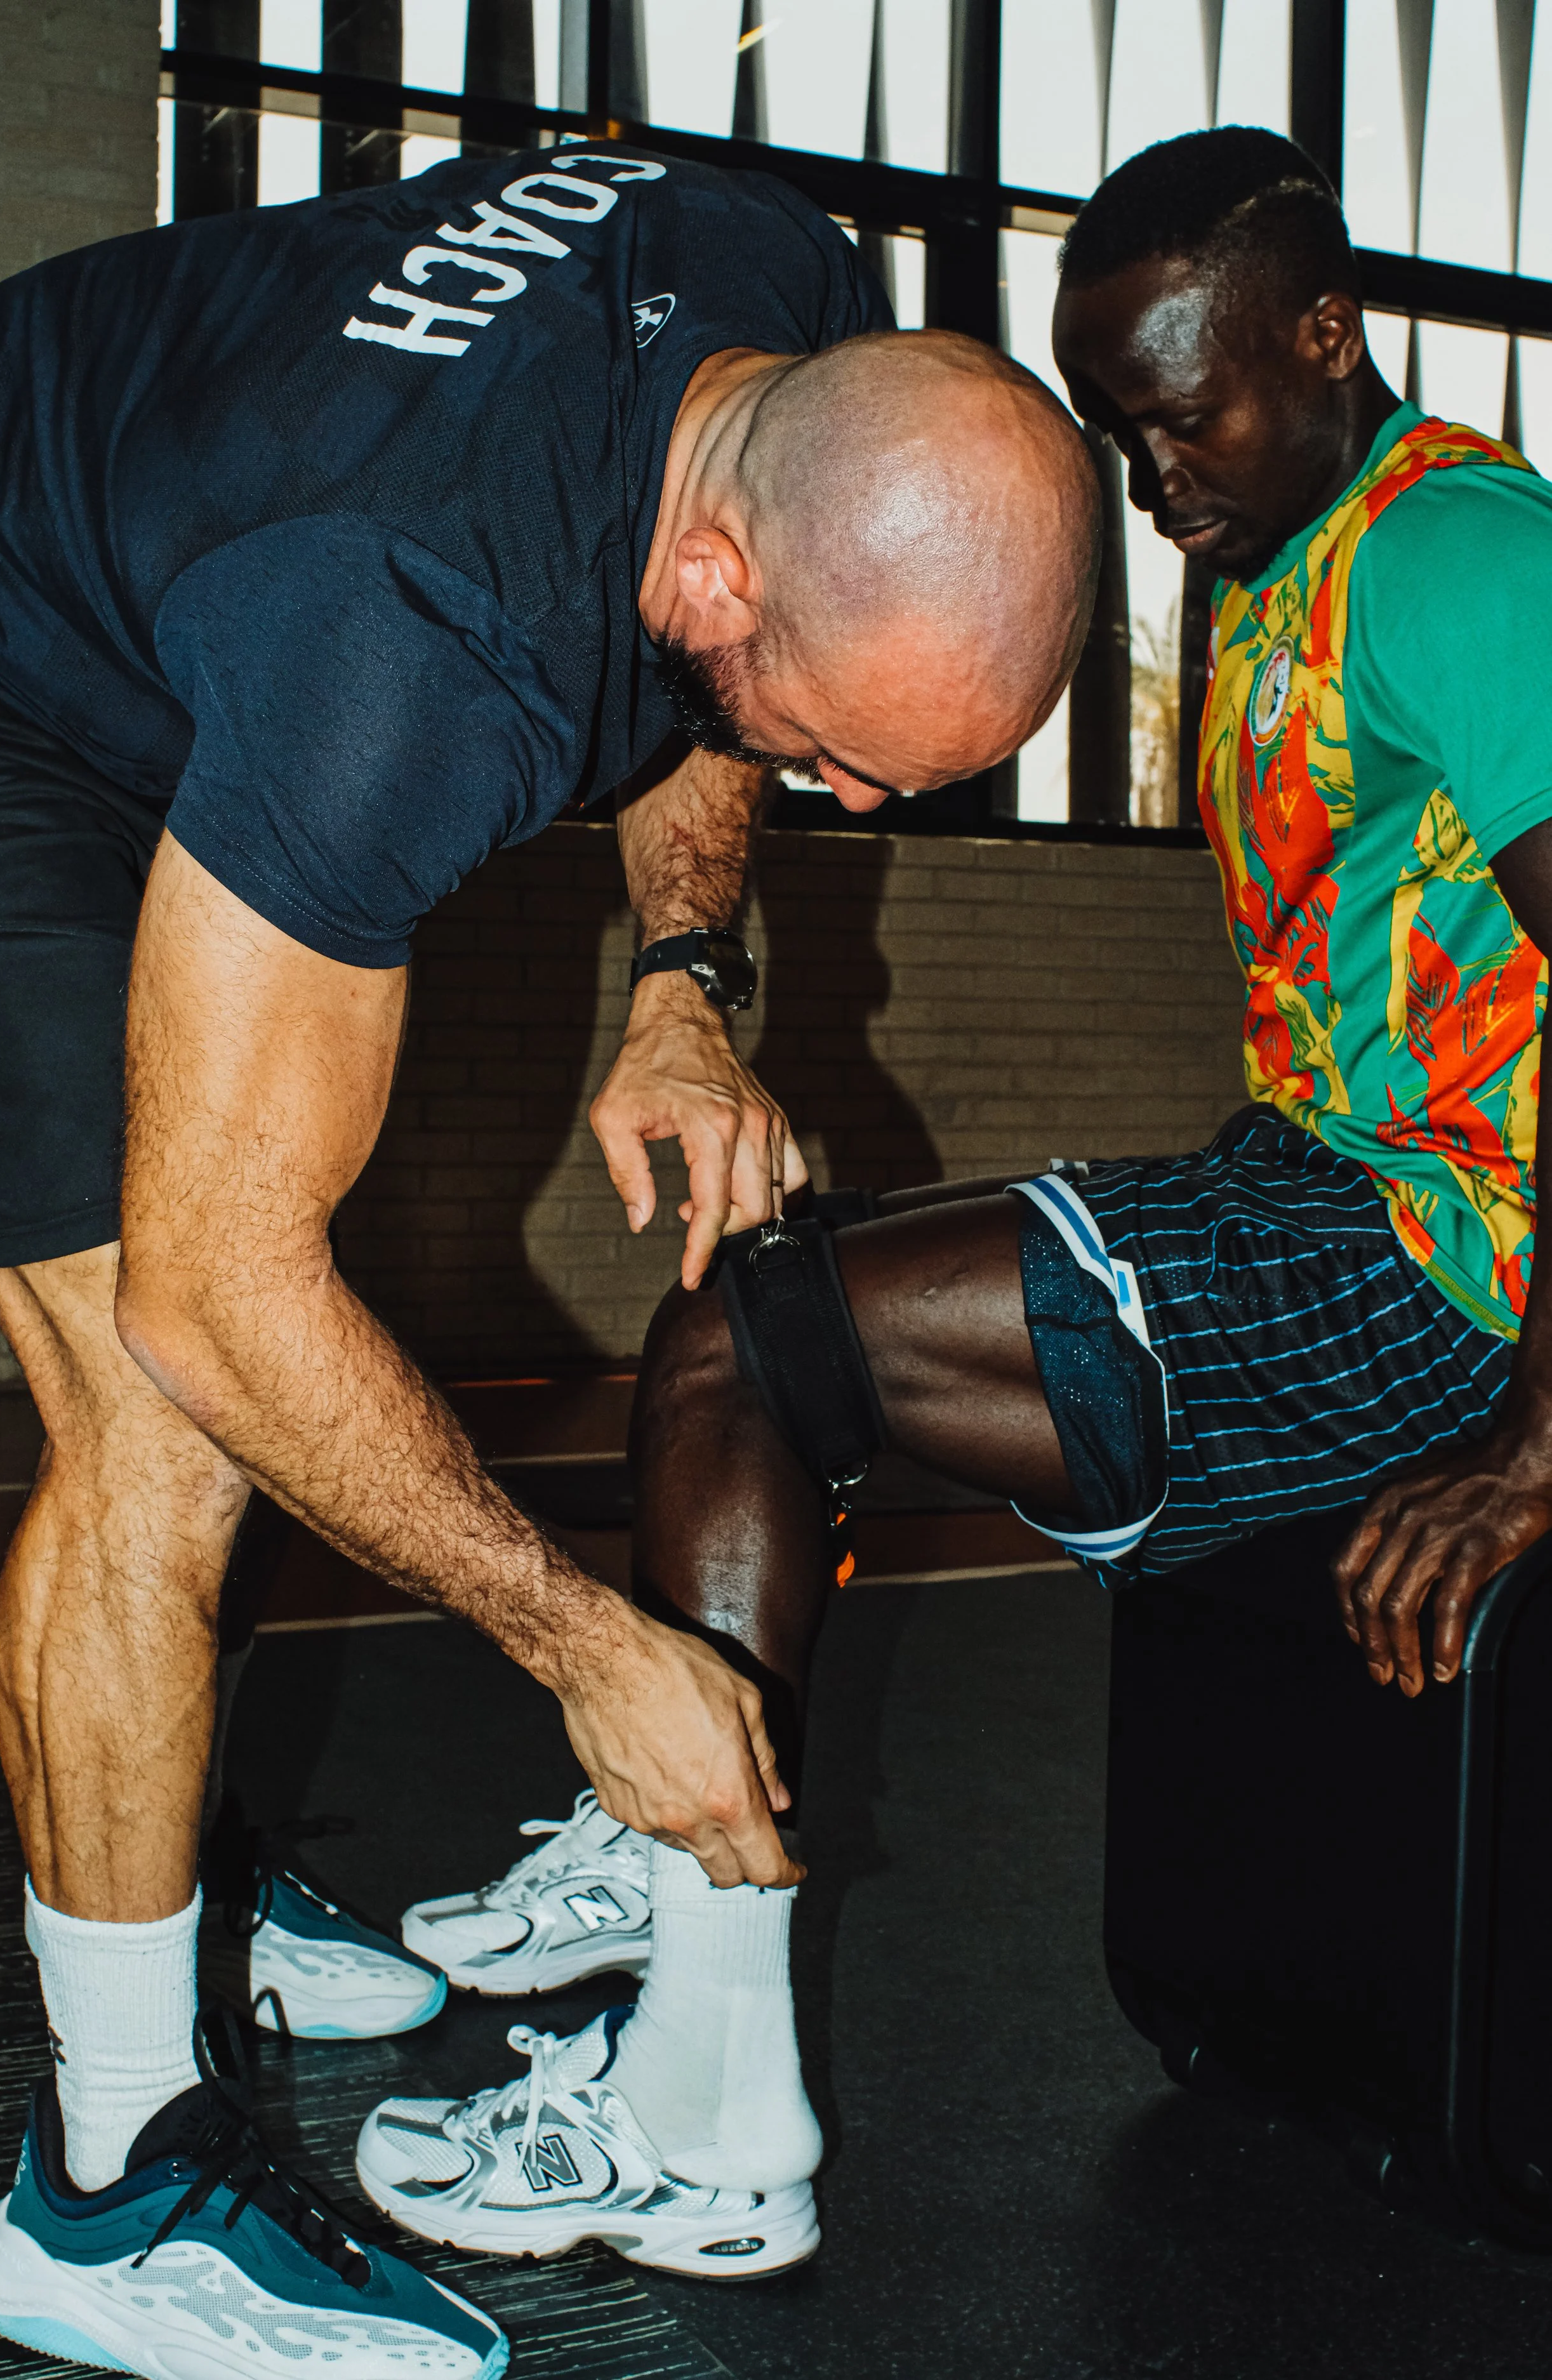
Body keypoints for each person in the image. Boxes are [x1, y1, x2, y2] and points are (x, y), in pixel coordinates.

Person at [364, 124, 1552, 2280]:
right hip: (1317, 1196)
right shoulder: (1276, 557)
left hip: (1449, 1271)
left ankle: (705, 2026)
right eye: (1115, 432)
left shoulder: (1465, 554)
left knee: (759, 1334)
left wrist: (1541, 1434)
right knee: (756, 1315)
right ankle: (697, 1966)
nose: (1155, 477)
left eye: (1184, 415)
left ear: (1325, 332)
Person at [0, 137, 1098, 2372]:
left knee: (282, 1293)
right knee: (171, 1404)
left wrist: (687, 971)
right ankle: (109, 2182)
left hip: (168, 597)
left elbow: (713, 697)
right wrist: (580, 1643)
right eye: (844, 767)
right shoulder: (403, 632)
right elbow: (217, 1301)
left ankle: (158, 1857)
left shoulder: (765, 265)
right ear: (705, 562)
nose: (848, 808)